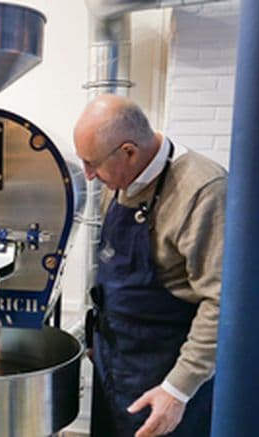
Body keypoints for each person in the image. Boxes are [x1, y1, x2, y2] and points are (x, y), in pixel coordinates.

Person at [74, 94, 226, 437]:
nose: (90, 175)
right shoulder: (120, 179)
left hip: (163, 372)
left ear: (128, 151)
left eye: (92, 164)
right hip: (116, 364)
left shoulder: (203, 191)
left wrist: (177, 390)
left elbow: (222, 302)